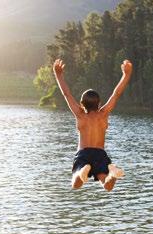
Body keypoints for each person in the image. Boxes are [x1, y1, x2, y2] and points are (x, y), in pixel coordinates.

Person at [53, 59, 133, 191]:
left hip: (83, 153)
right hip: (100, 154)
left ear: (82, 104)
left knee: (76, 184)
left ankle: (82, 172)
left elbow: (66, 94)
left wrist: (58, 75)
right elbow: (116, 94)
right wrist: (126, 75)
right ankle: (111, 175)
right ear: (99, 103)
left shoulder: (80, 114)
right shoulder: (103, 114)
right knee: (107, 185)